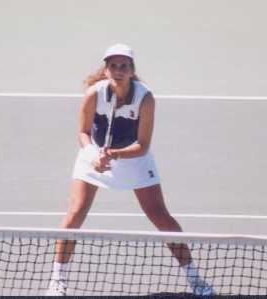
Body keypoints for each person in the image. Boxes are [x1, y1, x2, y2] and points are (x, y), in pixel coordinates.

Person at [46, 43, 215, 296]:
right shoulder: (94, 94)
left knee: (161, 217)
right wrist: (94, 155)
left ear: (131, 70)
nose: (118, 70)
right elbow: (83, 132)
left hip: (134, 158)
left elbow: (143, 145)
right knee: (74, 214)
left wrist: (114, 154)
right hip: (94, 156)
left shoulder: (145, 98)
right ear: (105, 70)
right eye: (113, 66)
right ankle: (57, 280)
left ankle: (195, 279)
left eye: (123, 66)